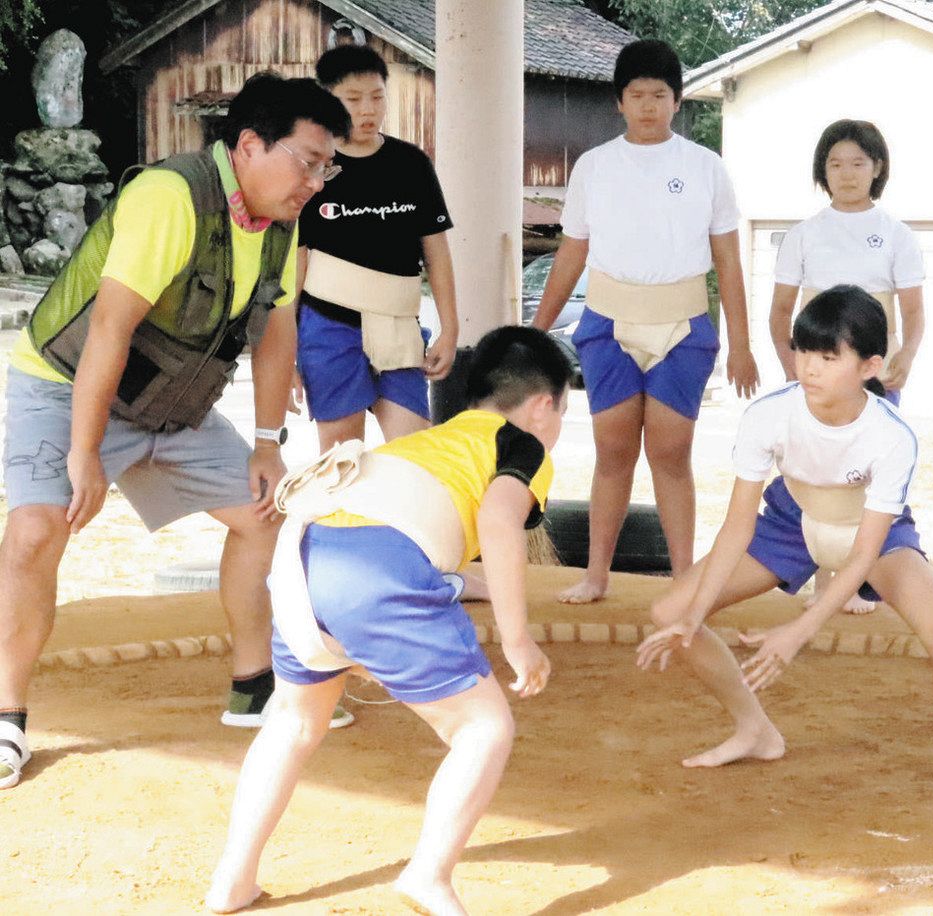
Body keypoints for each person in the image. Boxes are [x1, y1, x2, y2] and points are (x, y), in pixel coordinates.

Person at [0, 73, 354, 791]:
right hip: (68, 386)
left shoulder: (282, 220)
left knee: (267, 511)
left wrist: (264, 443)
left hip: (170, 402)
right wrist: (83, 450)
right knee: (36, 530)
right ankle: (6, 714)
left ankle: (254, 684)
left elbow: (278, 325)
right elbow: (109, 327)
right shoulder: (170, 195)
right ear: (250, 146)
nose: (317, 182)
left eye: (327, 167)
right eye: (308, 161)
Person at [205, 326, 570, 915]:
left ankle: (232, 878)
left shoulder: (427, 444)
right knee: (484, 730)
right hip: (379, 574)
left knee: (294, 723)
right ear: (543, 405)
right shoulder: (521, 443)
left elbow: (412, 522)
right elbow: (501, 524)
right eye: (560, 415)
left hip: (302, 562)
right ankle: (428, 874)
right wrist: (518, 638)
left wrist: (464, 586)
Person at [636, 286, 933, 808]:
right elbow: (737, 525)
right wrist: (695, 612)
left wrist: (797, 632)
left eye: (828, 356)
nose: (809, 367)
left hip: (872, 533)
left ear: (870, 366)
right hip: (792, 520)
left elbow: (861, 558)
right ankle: (755, 730)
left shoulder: (892, 435)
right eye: (803, 351)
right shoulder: (769, 416)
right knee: (670, 610)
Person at [532, 38, 759, 605]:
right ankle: (596, 575)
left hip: (681, 325)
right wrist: (537, 328)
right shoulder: (594, 166)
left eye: (660, 94)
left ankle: (684, 580)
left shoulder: (706, 168)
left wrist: (741, 344)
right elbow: (571, 252)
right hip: (609, 322)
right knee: (612, 452)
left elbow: (729, 260)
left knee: (670, 451)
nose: (649, 105)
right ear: (620, 102)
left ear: (677, 101)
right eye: (637, 95)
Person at [769, 118, 925, 615]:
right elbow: (779, 312)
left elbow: (915, 311)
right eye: (835, 164)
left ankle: (861, 580)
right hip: (815, 369)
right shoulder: (804, 235)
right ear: (823, 171)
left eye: (858, 163)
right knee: (815, 470)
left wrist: (905, 357)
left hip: (872, 371)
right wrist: (793, 367)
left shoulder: (896, 234)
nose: (847, 173)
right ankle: (821, 577)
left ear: (877, 168)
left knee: (868, 472)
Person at [293, 44, 459, 451]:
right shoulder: (313, 168)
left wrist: (450, 327)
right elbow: (295, 259)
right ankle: (333, 519)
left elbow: (436, 252)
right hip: (328, 326)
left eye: (377, 97)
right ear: (329, 100)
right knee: (341, 459)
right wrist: (287, 347)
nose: (367, 110)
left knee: (414, 453)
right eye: (352, 99)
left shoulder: (411, 163)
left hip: (398, 324)